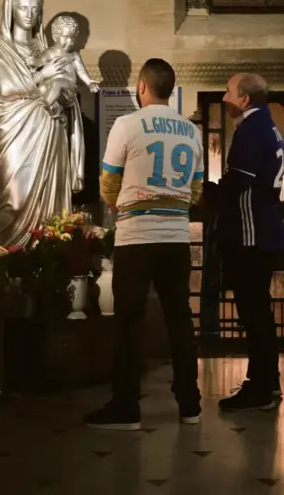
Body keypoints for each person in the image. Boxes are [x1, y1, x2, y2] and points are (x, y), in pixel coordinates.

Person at [84, 58, 204, 430]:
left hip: (136, 237)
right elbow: (196, 191)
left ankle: (126, 407)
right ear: (170, 89)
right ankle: (190, 405)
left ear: (141, 86)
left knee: (128, 323)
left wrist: (122, 205)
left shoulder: (126, 124)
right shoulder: (191, 131)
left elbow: (107, 182)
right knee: (180, 319)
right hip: (176, 238)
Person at [0, 0, 86, 247]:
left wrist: (65, 92)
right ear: (10, 10)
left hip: (52, 130)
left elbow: (68, 90)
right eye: (22, 8)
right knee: (15, 201)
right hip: (17, 130)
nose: (29, 14)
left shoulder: (45, 50)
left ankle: (50, 257)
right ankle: (11, 262)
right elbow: (6, 87)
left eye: (35, 9)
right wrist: (44, 75)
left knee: (53, 210)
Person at [216, 73, 284, 411]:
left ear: (244, 99)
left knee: (253, 312)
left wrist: (212, 195)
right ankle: (267, 383)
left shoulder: (252, 128)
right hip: (266, 229)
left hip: (250, 232)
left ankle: (259, 387)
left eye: (229, 91)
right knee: (260, 312)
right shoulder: (268, 126)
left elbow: (240, 180)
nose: (225, 96)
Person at [26, 15, 100, 118]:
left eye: (72, 38)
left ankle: (44, 107)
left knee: (57, 83)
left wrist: (88, 82)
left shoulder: (73, 55)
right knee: (42, 88)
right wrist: (32, 62)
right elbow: (39, 62)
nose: (69, 41)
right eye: (65, 37)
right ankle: (49, 109)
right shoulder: (49, 53)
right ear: (55, 36)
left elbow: (80, 71)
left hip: (68, 88)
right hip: (51, 86)